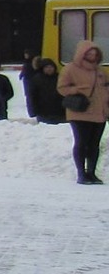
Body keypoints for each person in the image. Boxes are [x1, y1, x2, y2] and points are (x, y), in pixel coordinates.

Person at [58, 41, 106, 185]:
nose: (93, 56)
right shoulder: (70, 69)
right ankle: (81, 173)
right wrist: (78, 90)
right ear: (82, 54)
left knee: (94, 144)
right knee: (81, 142)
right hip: (79, 112)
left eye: (95, 53)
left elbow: (105, 91)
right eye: (89, 53)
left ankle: (91, 173)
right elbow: (62, 88)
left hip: (99, 113)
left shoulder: (100, 71)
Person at [25, 56, 66, 124]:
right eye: (47, 67)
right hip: (43, 113)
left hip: (60, 112)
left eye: (51, 67)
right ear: (42, 68)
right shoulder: (36, 79)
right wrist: (32, 111)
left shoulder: (61, 78)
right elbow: (31, 96)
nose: (49, 69)